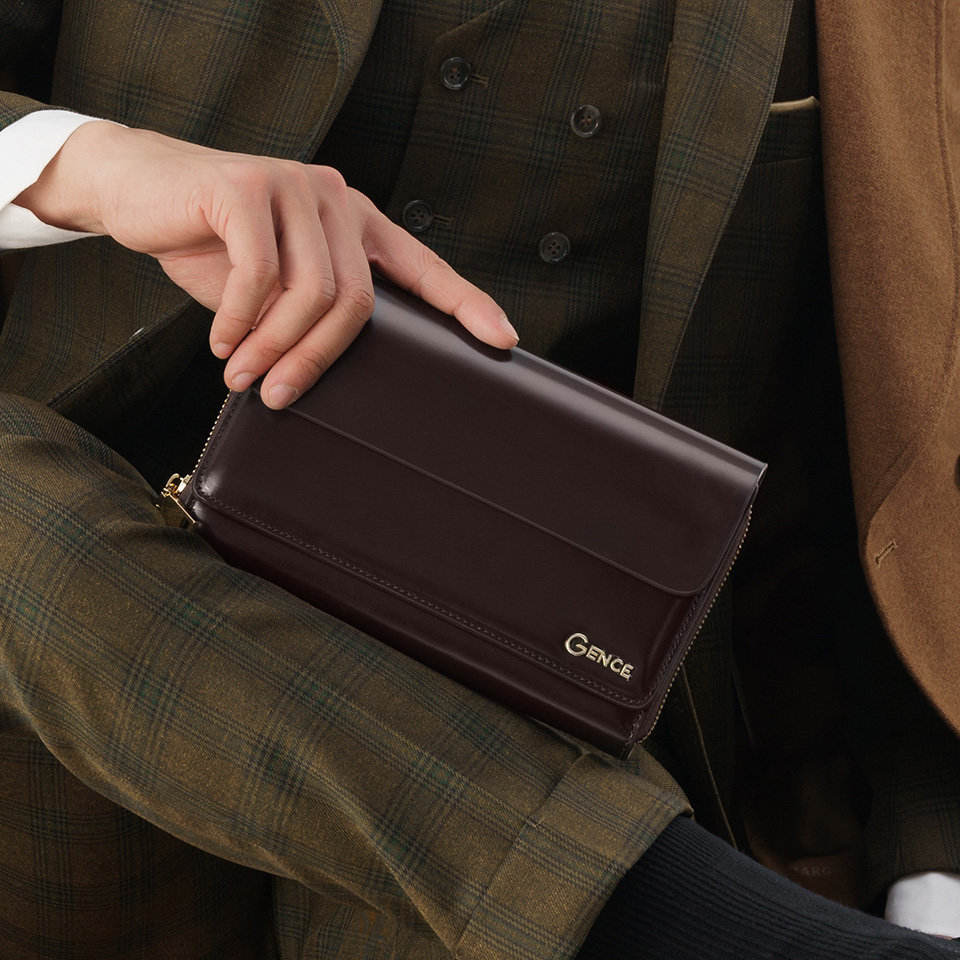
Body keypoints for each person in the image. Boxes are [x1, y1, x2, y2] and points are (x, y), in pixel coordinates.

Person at [1, 0, 959, 956]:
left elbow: (900, 440)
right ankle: (652, 903)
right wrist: (85, 164)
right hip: (93, 600)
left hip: (542, 676)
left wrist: (933, 870)